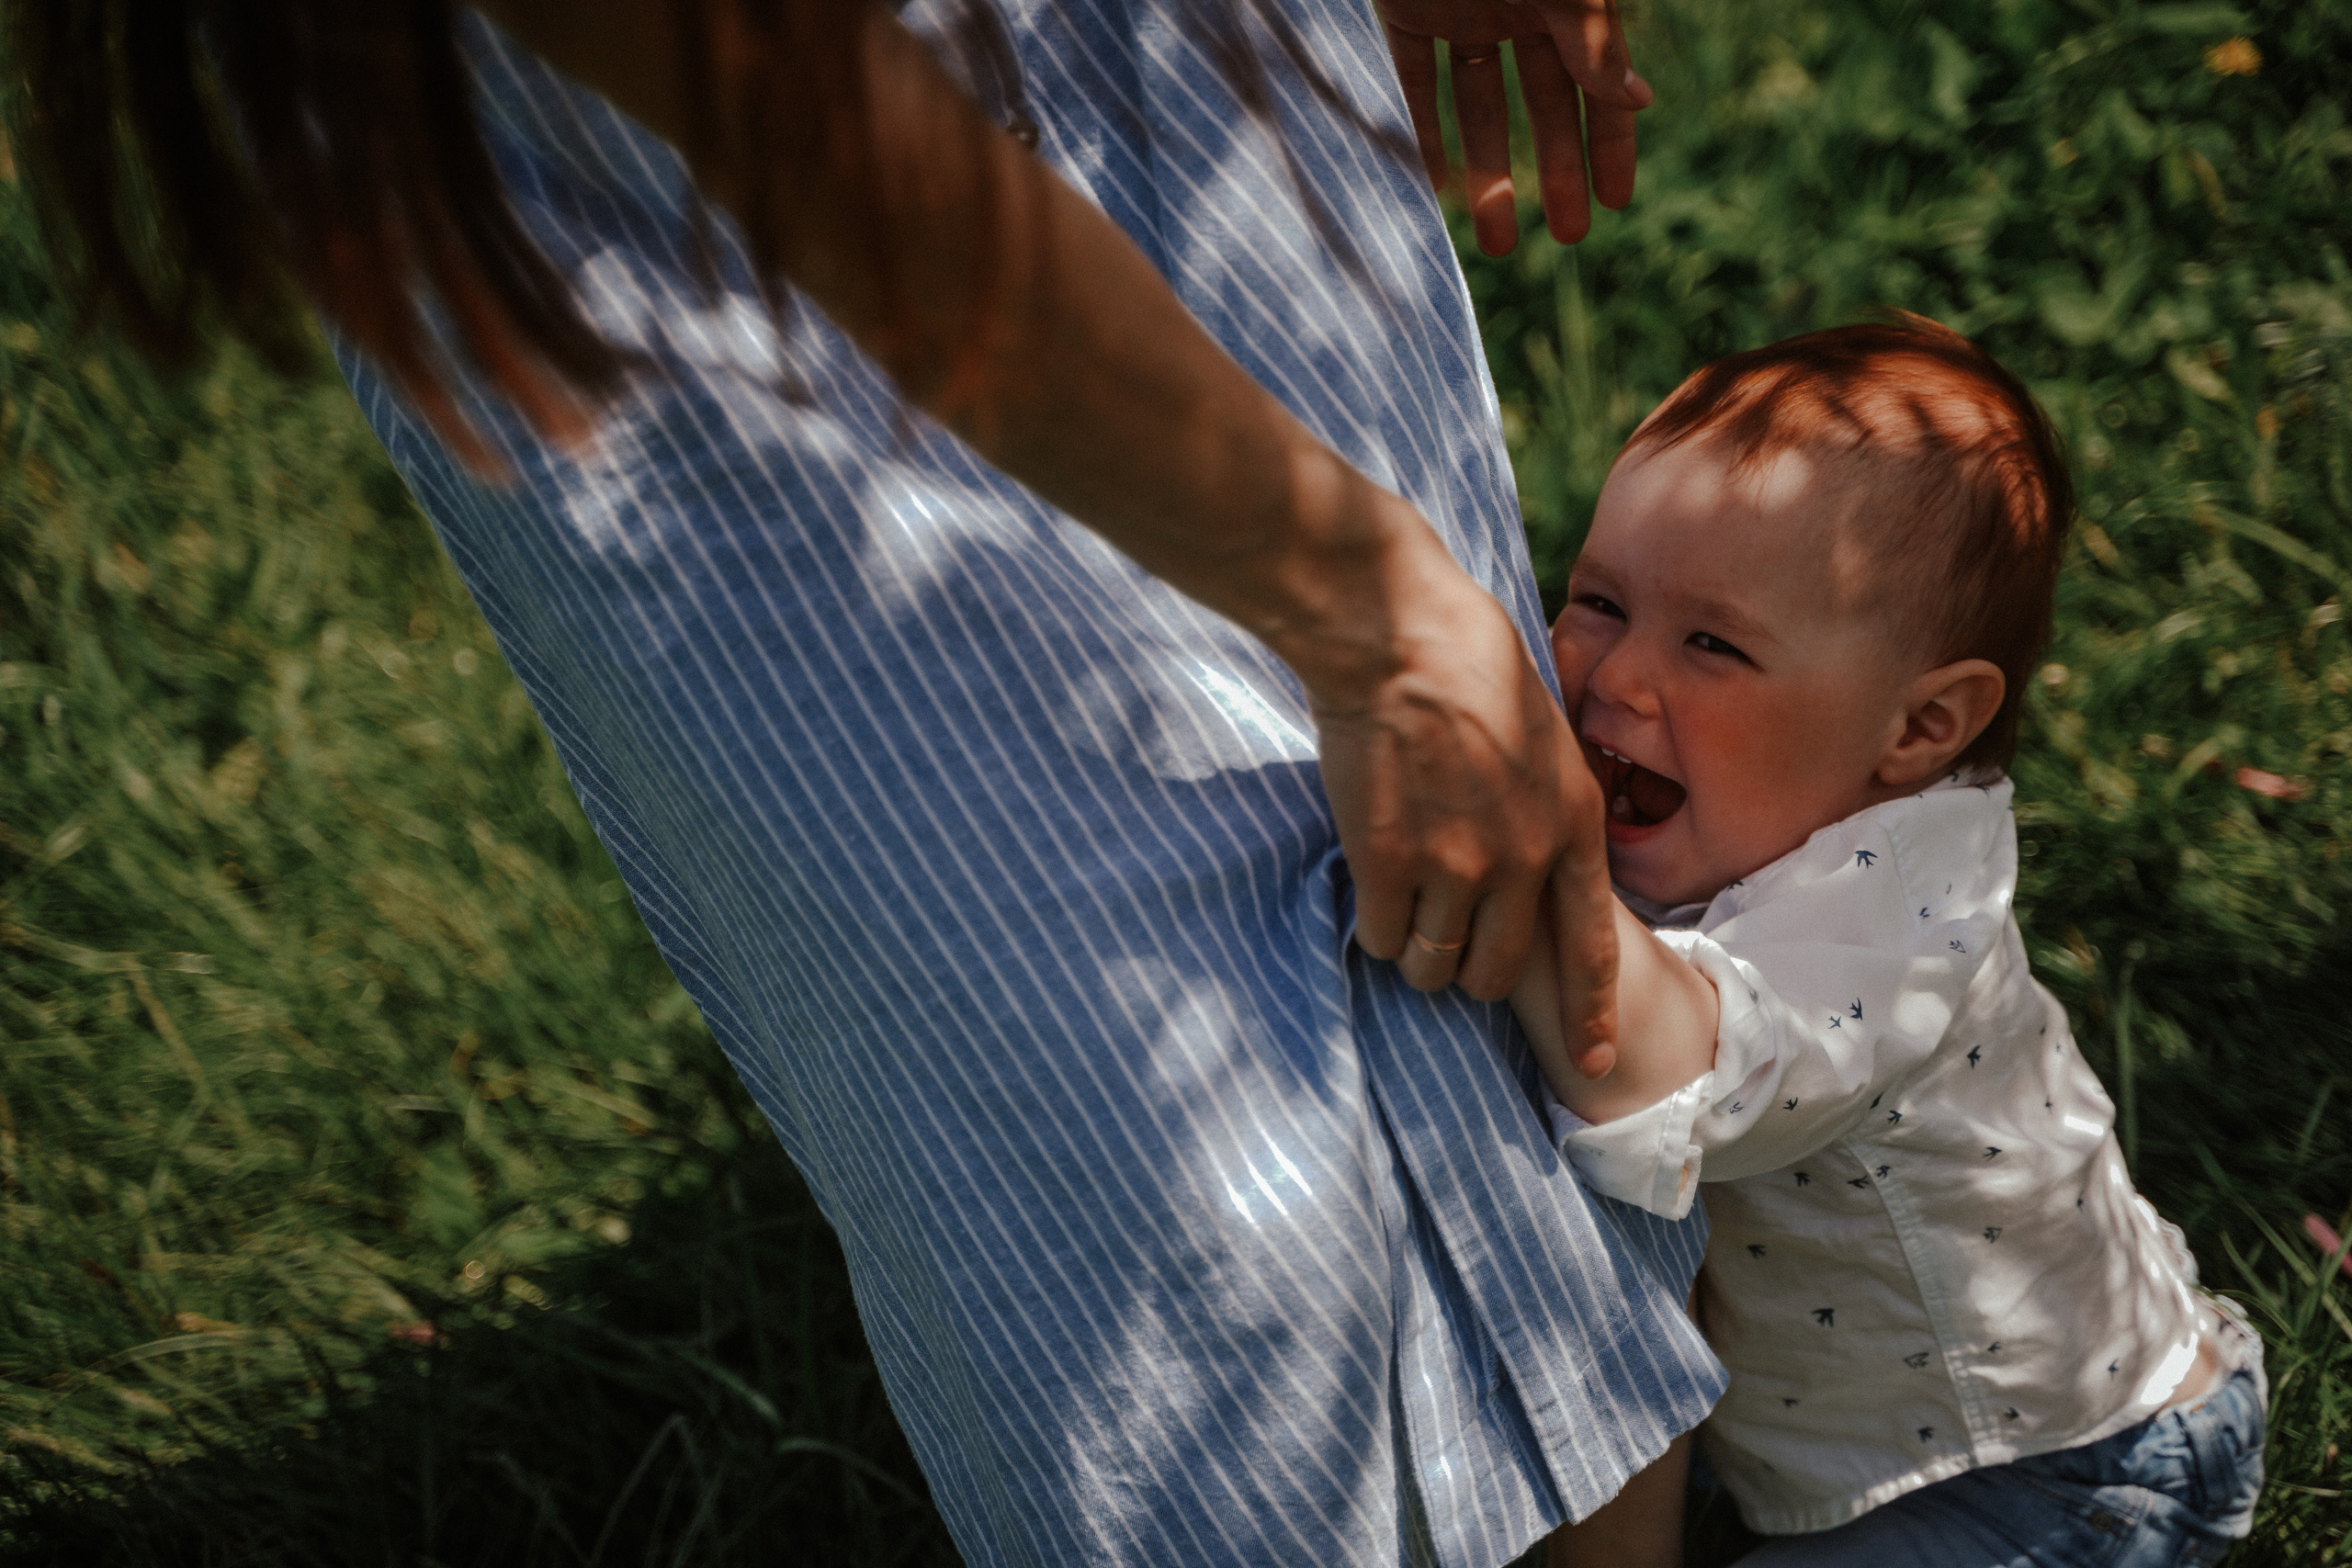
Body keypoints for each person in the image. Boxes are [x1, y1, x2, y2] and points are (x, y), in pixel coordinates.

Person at [10, 0, 1728, 1562]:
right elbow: (794, 109)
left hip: (1171, 64)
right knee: (1192, 1228)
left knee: (1499, 976)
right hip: (701, 247)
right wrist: (1377, 615)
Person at [1510, 317, 2267, 1566]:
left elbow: (1666, 1071)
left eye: (1712, 643)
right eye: (1599, 600)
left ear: (1917, 731)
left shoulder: (1898, 919)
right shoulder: (1725, 813)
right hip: (1848, 1445)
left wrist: (1522, 841)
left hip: (2057, 1473)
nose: (1619, 678)